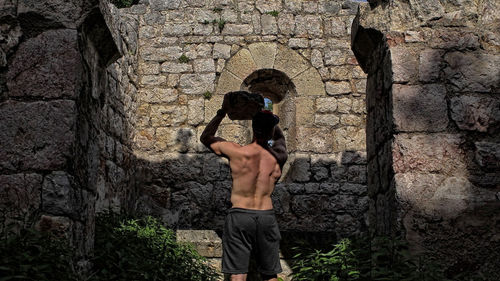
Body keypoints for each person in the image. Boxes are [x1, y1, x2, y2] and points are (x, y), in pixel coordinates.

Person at [200, 96, 287, 281]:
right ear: (270, 131)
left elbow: (206, 137)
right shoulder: (278, 157)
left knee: (238, 273)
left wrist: (222, 112)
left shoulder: (237, 152)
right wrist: (268, 119)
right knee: (270, 274)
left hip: (239, 215)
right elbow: (280, 138)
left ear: (254, 130)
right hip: (265, 216)